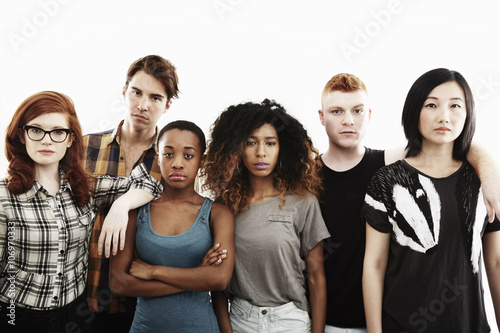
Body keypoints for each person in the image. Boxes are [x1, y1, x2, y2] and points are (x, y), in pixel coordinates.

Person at [317, 73, 500, 333]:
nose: (348, 120)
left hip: (430, 320)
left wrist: (490, 172)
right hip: (329, 319)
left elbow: (448, 144)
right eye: (337, 111)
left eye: (357, 110)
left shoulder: (384, 161)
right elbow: (374, 264)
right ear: (321, 116)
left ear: (369, 114)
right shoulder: (307, 175)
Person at [0, 91, 162, 332]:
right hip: (17, 317)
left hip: (76, 315)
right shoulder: (4, 197)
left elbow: (151, 184)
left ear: (70, 139)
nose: (47, 140)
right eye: (36, 130)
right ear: (22, 136)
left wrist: (121, 205)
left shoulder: (85, 187)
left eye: (57, 132)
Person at [203, 99, 330, 333]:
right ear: (237, 148)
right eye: (251, 143)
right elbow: (217, 281)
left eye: (270, 143)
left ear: (283, 148)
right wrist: (226, 329)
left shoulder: (304, 202)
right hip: (241, 319)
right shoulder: (224, 205)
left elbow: (316, 278)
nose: (261, 152)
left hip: (291, 321)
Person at [82, 55, 179, 332]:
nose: (143, 105)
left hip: (143, 304)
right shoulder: (86, 147)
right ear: (124, 92)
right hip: (81, 297)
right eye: (136, 92)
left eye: (155, 97)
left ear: (167, 105)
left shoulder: (172, 161)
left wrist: (122, 206)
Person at [109, 120, 234, 332]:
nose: (177, 163)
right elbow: (119, 283)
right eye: (168, 154)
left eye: (188, 155)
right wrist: (198, 276)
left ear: (201, 161)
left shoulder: (217, 213)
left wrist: (153, 271)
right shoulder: (136, 211)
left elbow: (219, 279)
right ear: (158, 159)